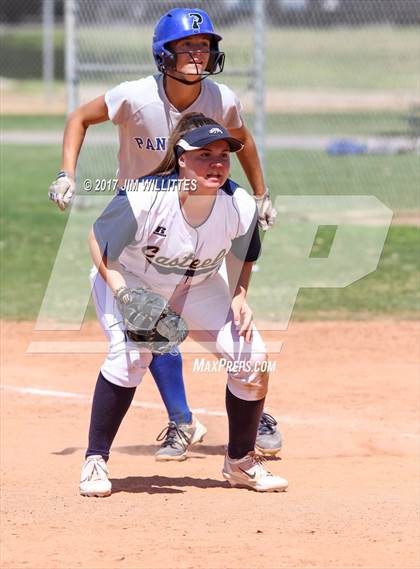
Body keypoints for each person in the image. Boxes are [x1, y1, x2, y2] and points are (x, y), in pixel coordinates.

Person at [48, 8, 282, 460]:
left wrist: (260, 192)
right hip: (140, 223)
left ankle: (234, 412)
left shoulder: (220, 97)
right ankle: (181, 419)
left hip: (193, 218)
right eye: (188, 47)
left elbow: (243, 138)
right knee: (151, 326)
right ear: (164, 54)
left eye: (205, 47)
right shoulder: (134, 97)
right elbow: (79, 116)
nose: (199, 54)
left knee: (206, 324)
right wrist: (67, 174)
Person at [79, 113, 288, 496]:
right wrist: (124, 293)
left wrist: (240, 295)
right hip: (130, 279)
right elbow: (98, 242)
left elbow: (245, 254)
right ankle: (95, 460)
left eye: (224, 155)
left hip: (199, 283)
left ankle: (240, 461)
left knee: (252, 356)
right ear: (181, 158)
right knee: (130, 357)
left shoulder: (239, 203)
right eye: (204, 154)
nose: (217, 164)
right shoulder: (146, 196)